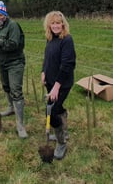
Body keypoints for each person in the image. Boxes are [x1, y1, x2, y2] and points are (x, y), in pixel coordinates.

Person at [0, 1, 27, 138]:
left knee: (16, 90)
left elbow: (14, 44)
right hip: (2, 63)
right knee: (6, 87)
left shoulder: (13, 26)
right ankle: (11, 108)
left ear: (5, 14)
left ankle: (20, 125)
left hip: (15, 63)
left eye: (0, 15)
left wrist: (0, 42)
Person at [41, 10, 76, 160]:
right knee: (56, 108)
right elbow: (47, 58)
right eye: (53, 23)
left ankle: (61, 144)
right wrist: (43, 72)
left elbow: (68, 65)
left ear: (63, 24)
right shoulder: (50, 39)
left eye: (58, 23)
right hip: (50, 81)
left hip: (62, 83)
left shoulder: (67, 40)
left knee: (52, 112)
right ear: (49, 24)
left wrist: (56, 86)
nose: (55, 26)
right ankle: (63, 131)